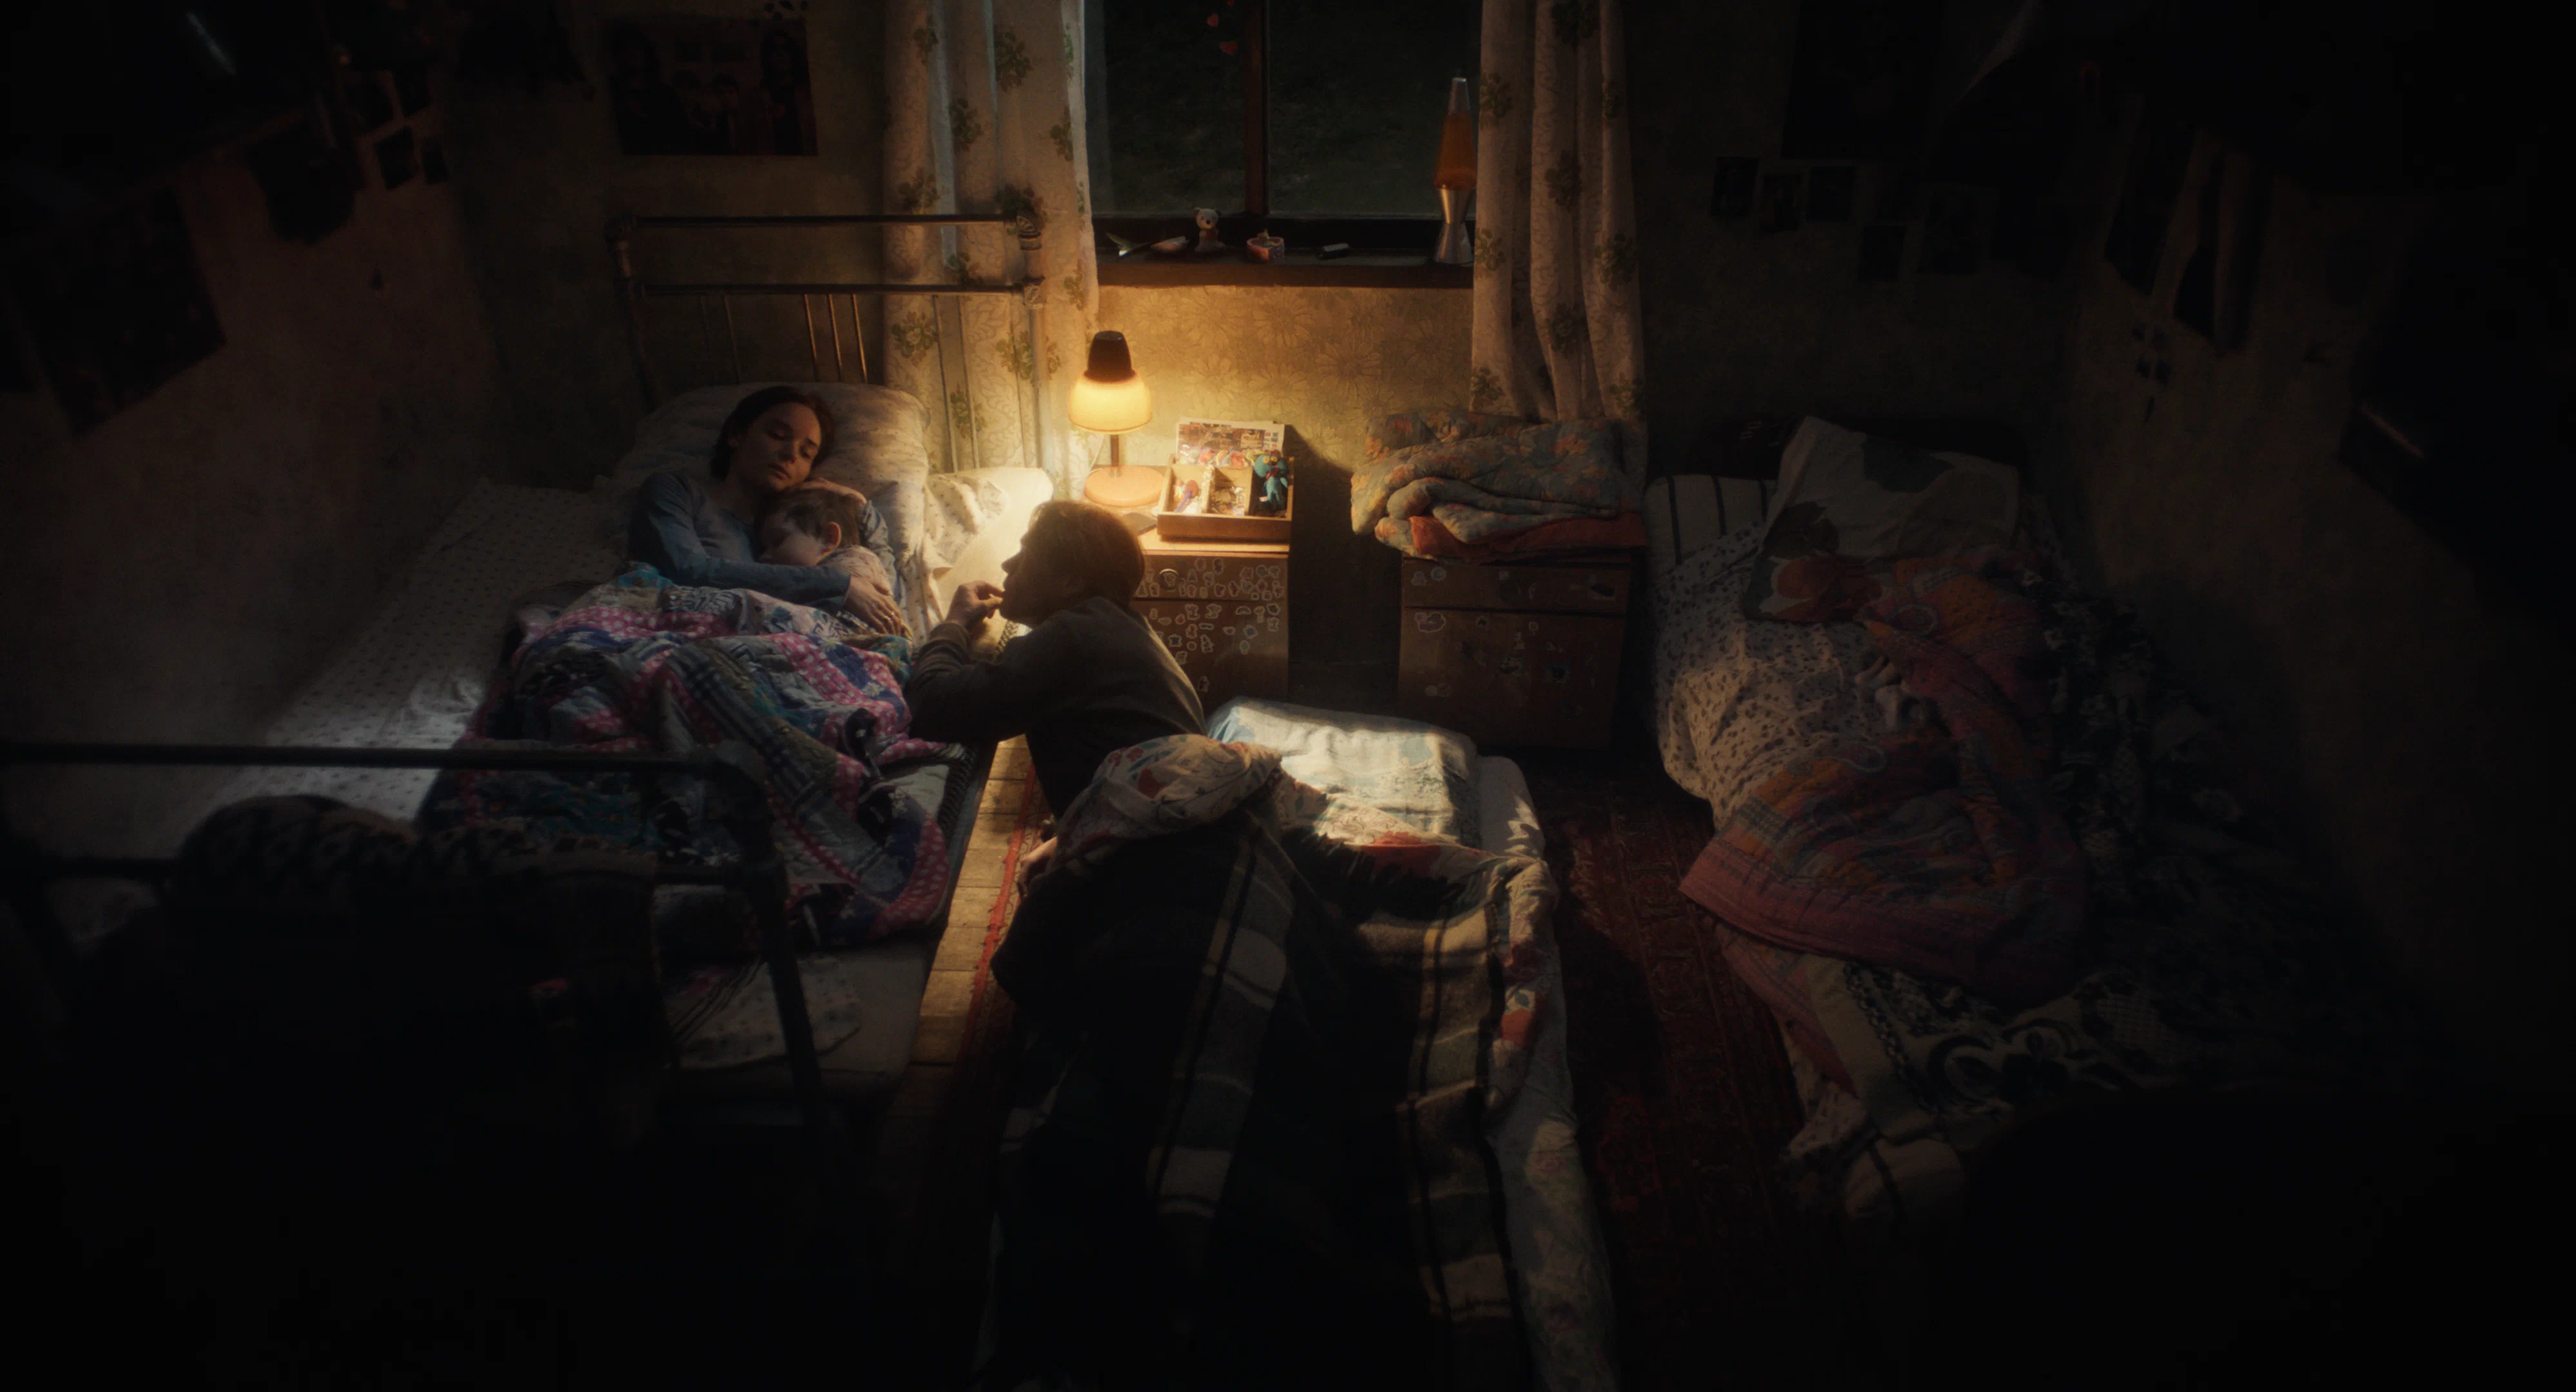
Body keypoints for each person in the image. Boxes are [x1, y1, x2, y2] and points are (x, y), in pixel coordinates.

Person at [904, 501, 1203, 872]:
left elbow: (932, 705)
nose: (1007, 565)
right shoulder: (1123, 628)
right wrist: (1067, 834)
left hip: (1166, 860)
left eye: (1024, 556)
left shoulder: (1072, 639)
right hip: (1177, 831)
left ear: (1071, 582)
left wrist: (952, 624)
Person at [627, 385, 906, 633]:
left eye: (806, 454)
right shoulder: (675, 492)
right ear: (737, 435)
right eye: (778, 435)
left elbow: (883, 602)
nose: (791, 454)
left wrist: (858, 505)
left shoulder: (801, 530)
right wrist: (838, 584)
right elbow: (689, 571)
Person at [757, 480, 900, 598]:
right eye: (763, 549)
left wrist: (859, 504)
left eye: (778, 541)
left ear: (829, 538)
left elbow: (881, 550)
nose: (763, 557)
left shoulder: (862, 575)